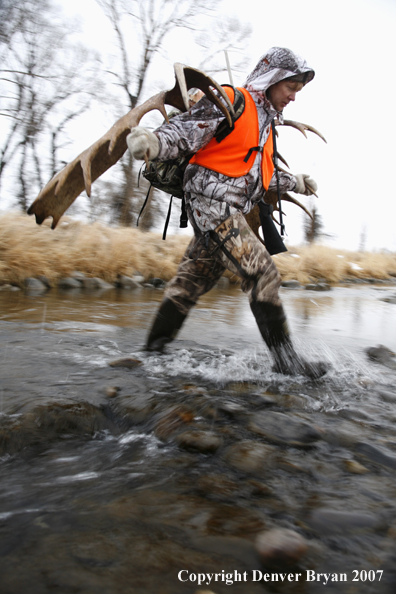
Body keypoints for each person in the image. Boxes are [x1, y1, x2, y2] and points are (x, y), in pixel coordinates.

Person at [127, 47, 328, 378]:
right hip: (211, 206)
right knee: (262, 274)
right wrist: (154, 141)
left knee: (189, 284)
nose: (293, 97)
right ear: (272, 79)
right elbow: (187, 130)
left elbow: (260, 175)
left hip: (224, 211)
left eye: (298, 91)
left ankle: (150, 355)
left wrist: (296, 182)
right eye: (291, 88)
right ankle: (286, 362)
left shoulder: (264, 125)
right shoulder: (233, 100)